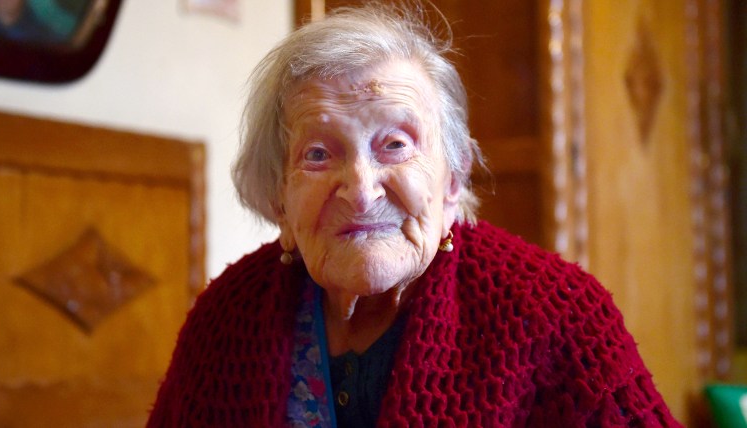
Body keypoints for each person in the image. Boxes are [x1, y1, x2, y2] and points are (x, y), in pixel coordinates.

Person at [147, 2, 682, 427]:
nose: (360, 190)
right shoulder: (225, 320)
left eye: (396, 145)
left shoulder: (556, 314)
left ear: (452, 179)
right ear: (277, 199)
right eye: (317, 154)